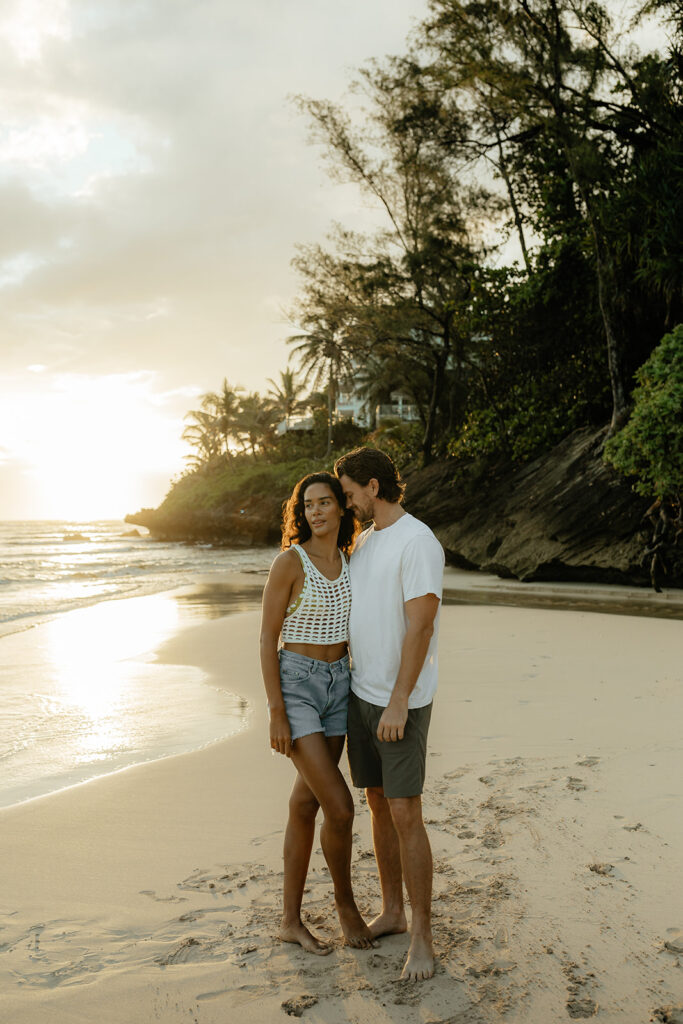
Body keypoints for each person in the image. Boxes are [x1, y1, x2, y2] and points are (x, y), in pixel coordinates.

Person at [334, 447, 445, 982]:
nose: (347, 502)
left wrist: (400, 698)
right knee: (377, 802)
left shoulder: (417, 542)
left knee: (406, 813)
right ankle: (394, 911)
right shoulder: (365, 543)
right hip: (362, 694)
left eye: (351, 493)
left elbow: (420, 627)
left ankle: (422, 936)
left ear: (372, 487)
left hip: (400, 700)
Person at [259, 471, 375, 954]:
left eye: (326, 502)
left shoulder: (352, 561)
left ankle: (289, 921)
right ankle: (345, 905)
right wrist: (276, 711)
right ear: (300, 512)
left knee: (305, 804)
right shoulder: (291, 562)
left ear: (340, 508)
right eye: (308, 505)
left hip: (339, 687)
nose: (317, 512)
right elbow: (267, 638)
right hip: (298, 686)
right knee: (341, 807)